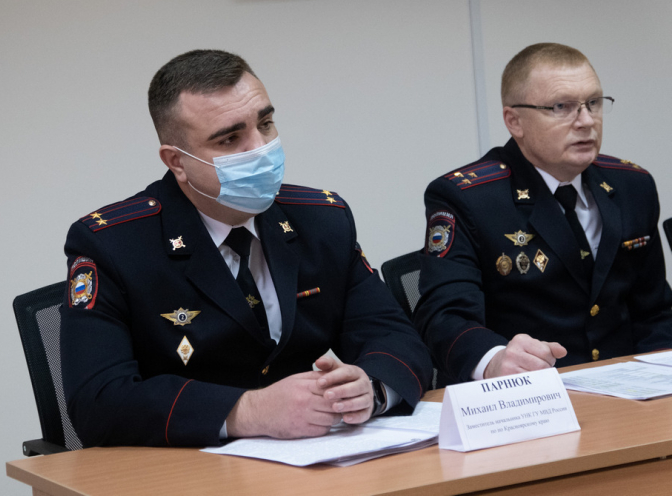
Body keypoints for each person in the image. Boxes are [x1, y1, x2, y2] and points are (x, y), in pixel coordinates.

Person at [60, 49, 432, 447]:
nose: (260, 148)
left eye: (266, 124)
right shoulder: (114, 244)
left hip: (318, 456)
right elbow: (97, 401)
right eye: (230, 138)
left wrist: (370, 388)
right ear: (177, 162)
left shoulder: (322, 219)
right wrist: (247, 411)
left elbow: (395, 336)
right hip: (189, 466)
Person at [414, 43, 672, 385]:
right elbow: (444, 316)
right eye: (561, 107)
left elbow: (655, 310)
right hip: (529, 392)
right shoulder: (469, 197)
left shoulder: (632, 185)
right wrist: (493, 360)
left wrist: (660, 381)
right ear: (515, 121)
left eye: (593, 103)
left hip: (631, 388)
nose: (586, 121)